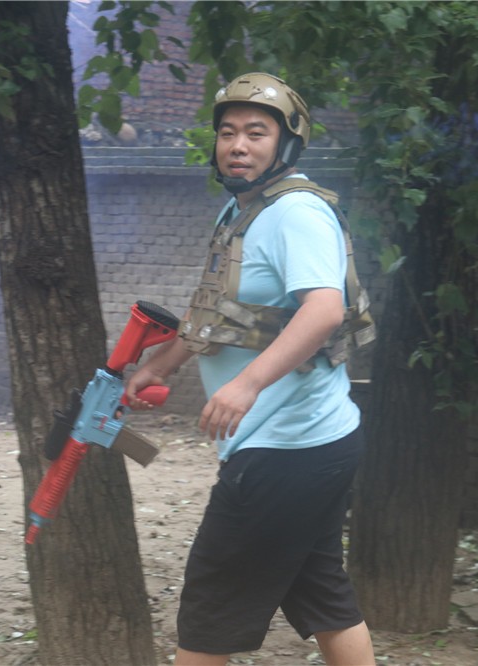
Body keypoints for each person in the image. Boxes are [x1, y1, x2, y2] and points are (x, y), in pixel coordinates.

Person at [125, 72, 375, 666]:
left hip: (284, 449)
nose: (238, 145)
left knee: (210, 612)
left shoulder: (295, 213)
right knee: (322, 595)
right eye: (228, 132)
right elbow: (215, 310)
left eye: (256, 133)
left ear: (286, 144)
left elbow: (323, 310)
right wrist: (159, 365)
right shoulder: (242, 211)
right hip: (311, 444)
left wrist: (246, 384)